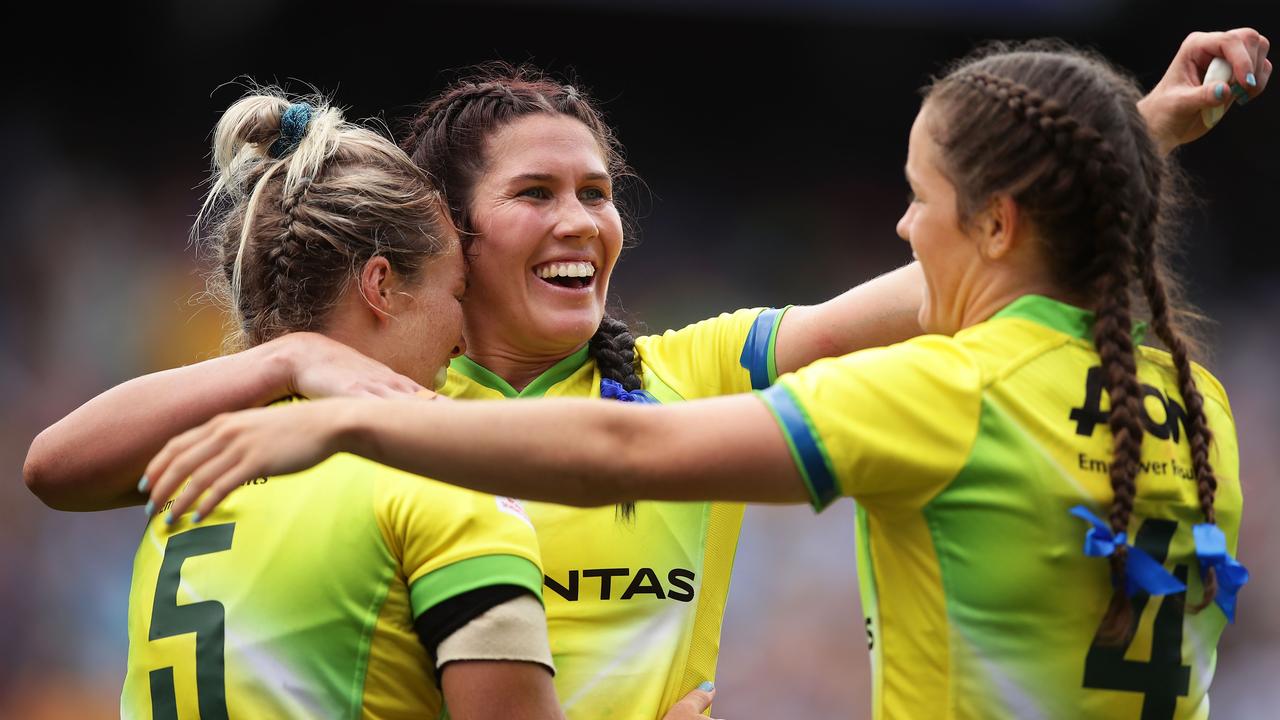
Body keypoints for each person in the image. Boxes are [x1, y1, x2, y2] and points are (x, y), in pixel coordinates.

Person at [25, 27, 1268, 720]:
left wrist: (1113, 143)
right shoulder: (374, 410)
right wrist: (289, 361)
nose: (582, 221)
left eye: (598, 192)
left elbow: (922, 296)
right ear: (449, 238)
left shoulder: (686, 371)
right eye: (537, 195)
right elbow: (65, 467)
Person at [118, 90, 566, 720]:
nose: (465, 334)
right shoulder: (443, 481)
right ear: (381, 285)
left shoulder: (192, 467)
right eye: (458, 293)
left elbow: (50, 467)